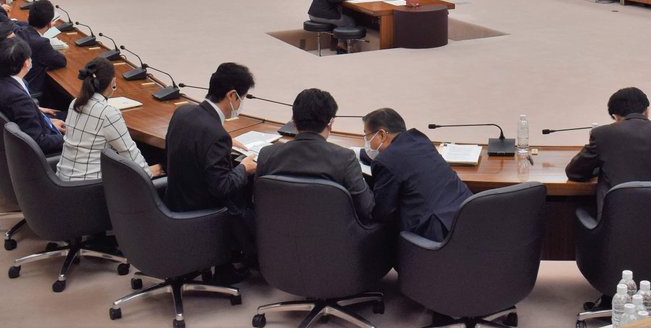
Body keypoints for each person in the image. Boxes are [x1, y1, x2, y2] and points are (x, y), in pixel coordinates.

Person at [164, 62, 257, 264]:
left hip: (174, 201)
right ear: (232, 95)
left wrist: (224, 139)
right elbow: (222, 186)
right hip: (201, 212)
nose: (241, 103)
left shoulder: (183, 112)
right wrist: (244, 168)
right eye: (242, 97)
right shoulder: (216, 135)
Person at [565, 87, 651, 208]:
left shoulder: (602, 134)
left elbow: (575, 172)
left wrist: (600, 167)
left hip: (618, 221)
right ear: (646, 110)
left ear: (615, 116)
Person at [256, 88, 374, 223]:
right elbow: (366, 209)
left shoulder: (266, 154)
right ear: (330, 123)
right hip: (332, 234)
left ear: (293, 122)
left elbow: (257, 200)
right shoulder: (345, 159)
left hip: (276, 232)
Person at [361, 108, 472, 242]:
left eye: (367, 136)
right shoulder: (419, 139)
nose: (366, 141)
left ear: (382, 135)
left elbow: (382, 212)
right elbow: (402, 160)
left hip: (436, 234)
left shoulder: (386, 161)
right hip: (466, 216)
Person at [57, 59, 160, 182]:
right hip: (89, 185)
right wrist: (149, 172)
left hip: (63, 179)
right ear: (113, 82)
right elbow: (129, 152)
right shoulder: (108, 113)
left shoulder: (75, 103)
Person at [0, 37, 64, 154]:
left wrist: (48, 124)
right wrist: (70, 139)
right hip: (39, 154)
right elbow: (39, 141)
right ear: (26, 63)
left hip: (26, 136)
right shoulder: (17, 97)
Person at [14, 0, 67, 97]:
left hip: (16, 84)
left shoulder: (21, 31)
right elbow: (61, 61)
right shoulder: (41, 43)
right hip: (28, 90)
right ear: (50, 23)